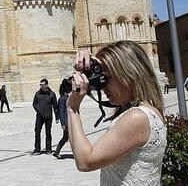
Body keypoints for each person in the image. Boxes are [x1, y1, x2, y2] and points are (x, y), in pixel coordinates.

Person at [68, 40, 166, 185]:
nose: (102, 86)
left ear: (129, 73)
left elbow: (85, 162)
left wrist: (72, 108)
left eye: (107, 78)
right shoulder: (148, 109)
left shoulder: (136, 118)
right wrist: (90, 66)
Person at [32, 78, 58, 155]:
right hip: (39, 116)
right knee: (37, 131)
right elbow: (34, 104)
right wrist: (38, 110)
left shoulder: (52, 94)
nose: (41, 86)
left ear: (46, 85)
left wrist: (57, 117)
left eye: (42, 85)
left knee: (48, 133)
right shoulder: (37, 93)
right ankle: (37, 149)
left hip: (48, 116)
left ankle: (48, 149)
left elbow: (55, 106)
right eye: (40, 85)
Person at [53, 79, 70, 159]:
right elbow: (61, 112)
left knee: (65, 137)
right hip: (67, 121)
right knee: (72, 137)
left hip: (69, 120)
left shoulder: (67, 97)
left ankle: (56, 152)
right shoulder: (62, 99)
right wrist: (63, 123)